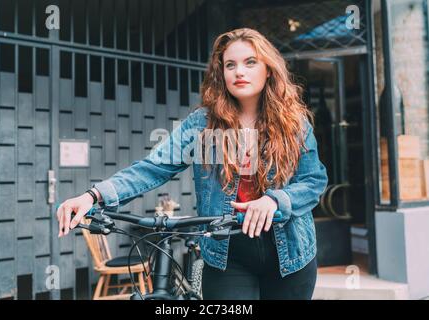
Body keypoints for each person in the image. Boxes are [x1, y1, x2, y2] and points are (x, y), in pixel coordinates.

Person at [56, 28, 328, 300]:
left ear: (268, 69)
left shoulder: (293, 123)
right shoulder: (202, 123)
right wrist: (94, 195)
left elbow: (314, 181)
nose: (238, 72)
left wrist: (274, 201)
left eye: (250, 62)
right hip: (226, 254)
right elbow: (154, 166)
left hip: (290, 252)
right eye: (230, 65)